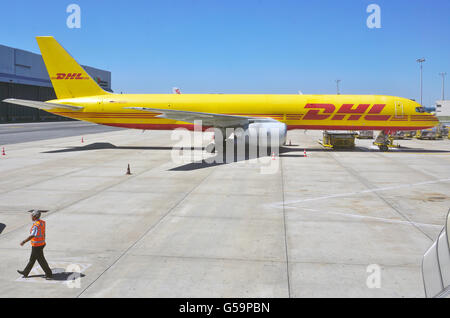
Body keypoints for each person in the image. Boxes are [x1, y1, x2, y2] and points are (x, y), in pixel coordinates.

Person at [17, 210, 52, 279]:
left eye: (32, 215)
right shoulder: (42, 222)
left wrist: (24, 241)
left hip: (37, 245)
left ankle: (49, 274)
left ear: (35, 216)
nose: (31, 216)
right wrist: (43, 241)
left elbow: (32, 235)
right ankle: (25, 272)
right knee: (32, 259)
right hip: (41, 244)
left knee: (41, 260)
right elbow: (43, 233)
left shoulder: (36, 225)